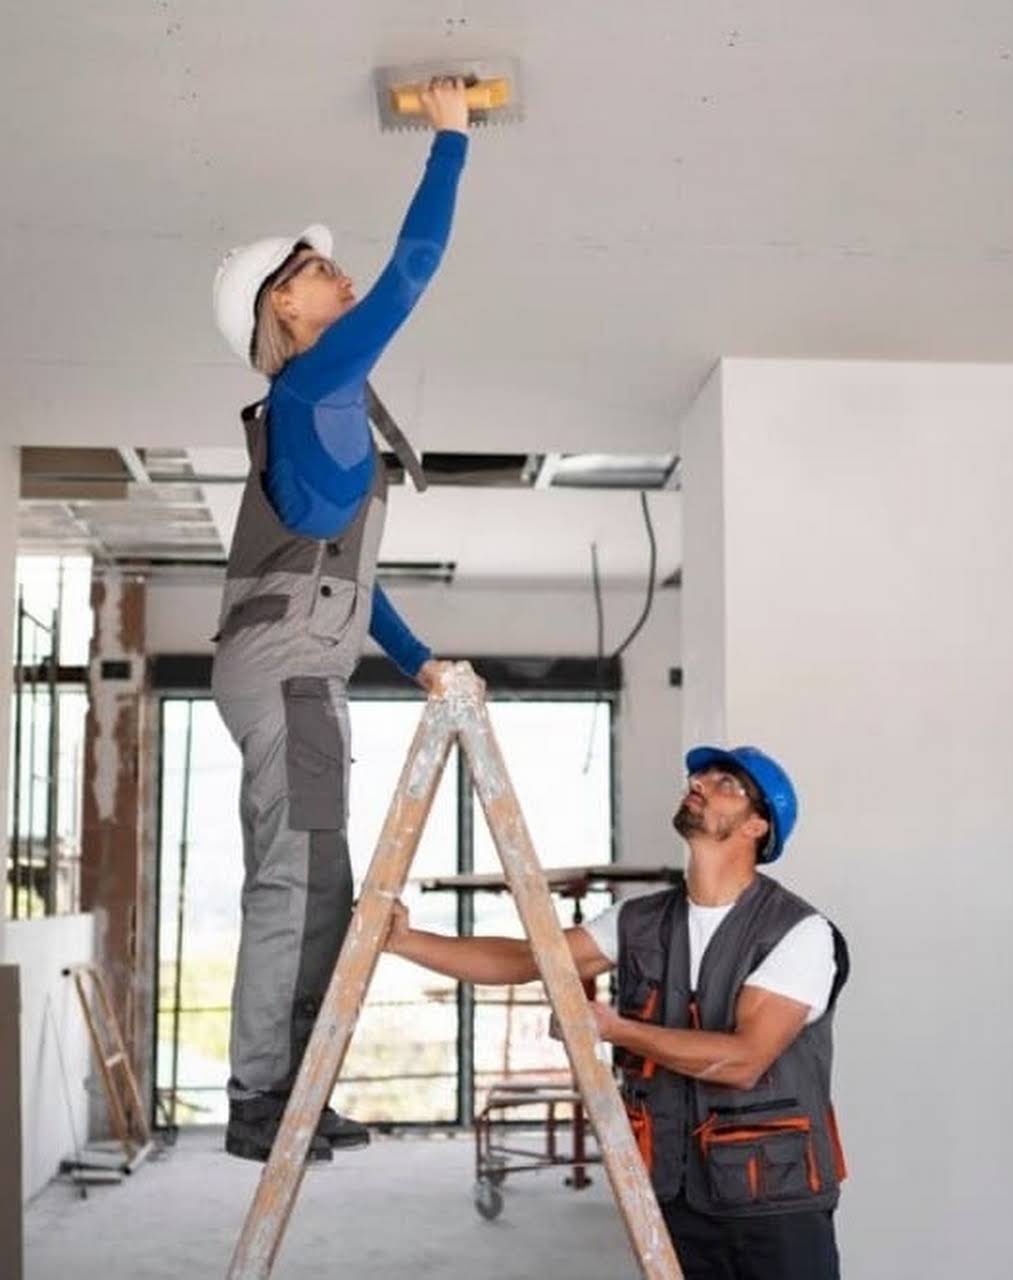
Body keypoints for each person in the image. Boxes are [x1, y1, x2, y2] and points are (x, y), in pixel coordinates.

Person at [208, 79, 470, 1163]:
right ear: (286, 312)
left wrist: (411, 658)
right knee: (297, 877)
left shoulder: (321, 407)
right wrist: (450, 141)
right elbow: (411, 276)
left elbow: (347, 583)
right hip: (287, 672)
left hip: (289, 662)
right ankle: (262, 1096)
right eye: (315, 271)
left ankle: (291, 1087)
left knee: (317, 877)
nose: (338, 275)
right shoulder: (314, 385)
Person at [385, 744, 849, 1278]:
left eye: (726, 783)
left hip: (776, 1204)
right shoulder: (638, 920)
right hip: (672, 1197)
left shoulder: (798, 933)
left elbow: (743, 1060)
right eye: (700, 775)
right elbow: (526, 958)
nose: (699, 783)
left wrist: (614, 1029)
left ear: (757, 827)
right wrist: (407, 942)